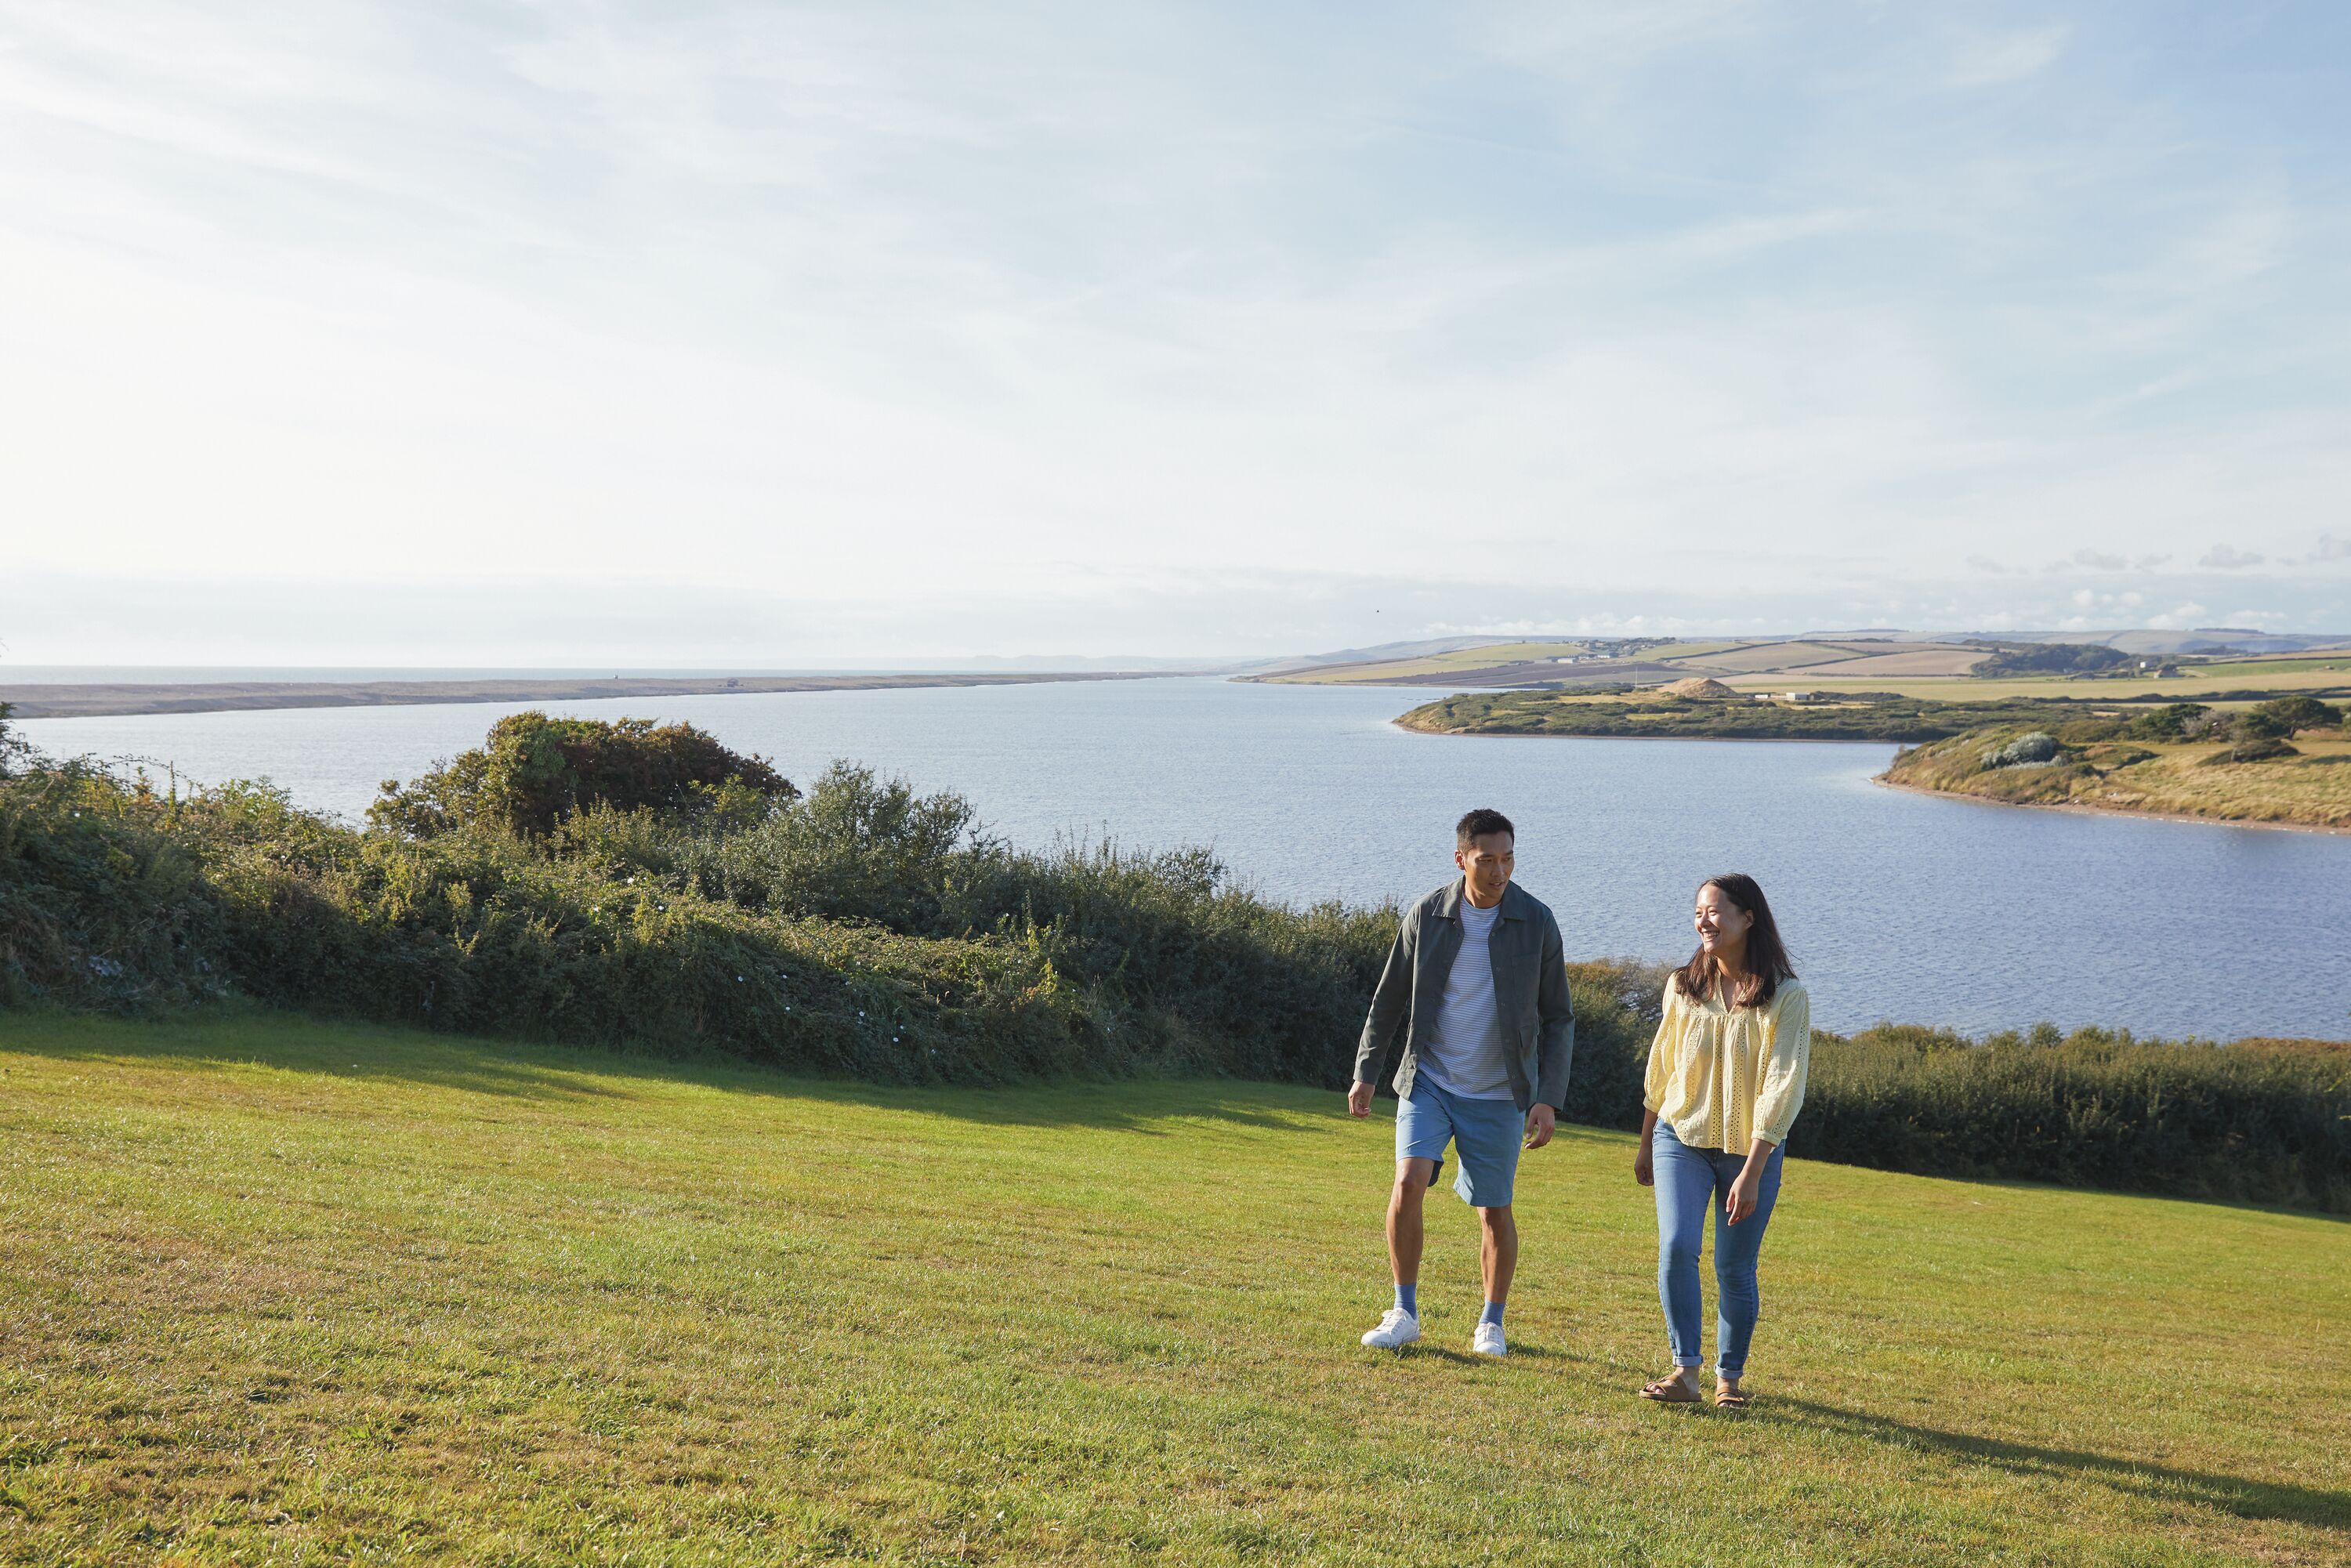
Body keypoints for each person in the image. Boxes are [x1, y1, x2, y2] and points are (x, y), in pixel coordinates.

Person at [1348, 808, 1574, 1357]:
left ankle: (1491, 1324)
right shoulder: (1428, 914)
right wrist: (1366, 1071)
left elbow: (1559, 1017)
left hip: (1500, 1092)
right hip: (1429, 1079)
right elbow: (1388, 998)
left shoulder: (1537, 921)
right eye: (1487, 859)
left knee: (1494, 1209)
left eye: (1508, 858)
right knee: (1407, 1182)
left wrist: (1548, 1098)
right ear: (1461, 858)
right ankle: (1404, 1311)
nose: (1500, 871)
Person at [1635, 873, 1810, 1408]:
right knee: (1676, 1247)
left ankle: (1728, 1379)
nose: (1703, 921)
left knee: (1734, 1267)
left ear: (1747, 917)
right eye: (1698, 912)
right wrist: (1645, 1143)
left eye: (1714, 911)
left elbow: (1783, 1087)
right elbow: (1660, 1068)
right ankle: (1685, 1372)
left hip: (1750, 1151)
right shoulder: (1681, 986)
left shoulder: (1786, 996)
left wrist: (1753, 1169)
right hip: (1678, 1137)